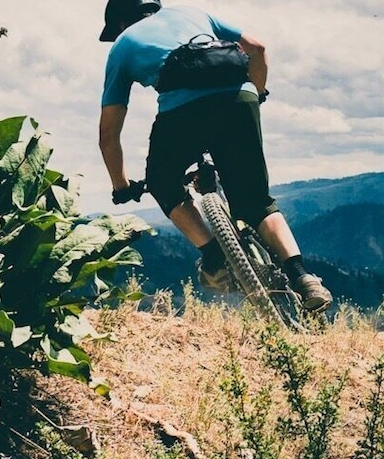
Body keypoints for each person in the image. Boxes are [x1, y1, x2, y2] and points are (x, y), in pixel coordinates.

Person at [96, 0, 333, 312]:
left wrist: (122, 187)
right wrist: (254, 98)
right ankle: (304, 278)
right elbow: (258, 50)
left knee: (162, 182)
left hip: (183, 113)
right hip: (240, 97)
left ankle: (214, 257)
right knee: (256, 202)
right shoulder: (192, 12)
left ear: (121, 24)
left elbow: (109, 135)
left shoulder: (123, 46)